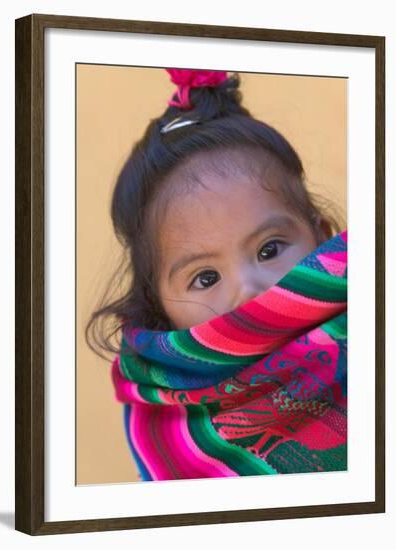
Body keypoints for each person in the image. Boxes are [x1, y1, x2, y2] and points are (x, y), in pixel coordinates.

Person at [85, 69, 347, 481]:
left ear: (322, 236)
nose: (249, 290)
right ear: (161, 308)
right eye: (205, 278)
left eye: (269, 249)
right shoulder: (170, 421)